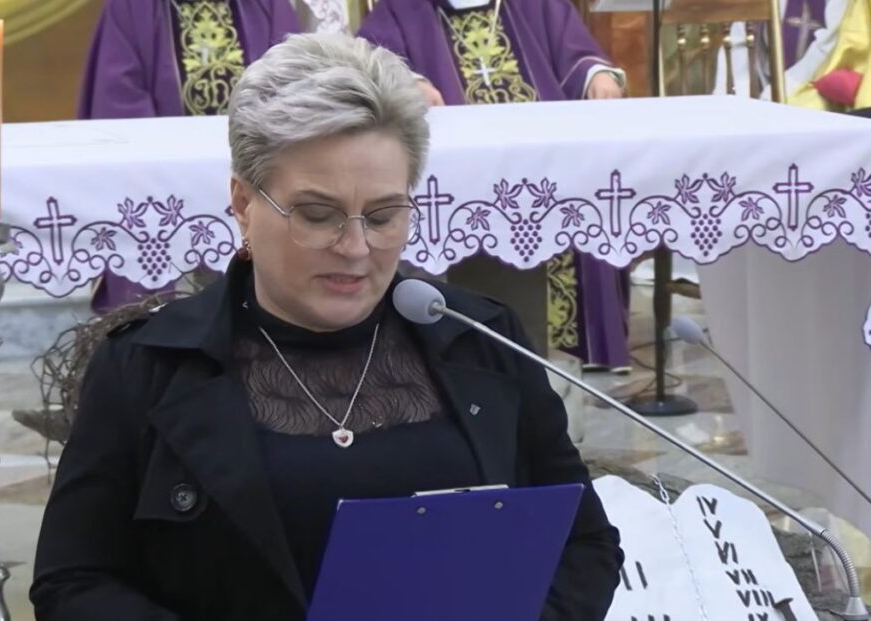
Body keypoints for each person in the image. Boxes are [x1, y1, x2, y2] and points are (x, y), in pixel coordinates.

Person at [31, 33, 622, 621]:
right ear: (243, 202)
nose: (356, 247)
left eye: (384, 215)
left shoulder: (478, 339)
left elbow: (584, 544)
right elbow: (73, 582)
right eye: (318, 215)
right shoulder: (147, 365)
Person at [358, 0, 632, 371]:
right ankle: (472, 353)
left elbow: (576, 54)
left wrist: (597, 76)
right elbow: (373, 58)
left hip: (546, 161)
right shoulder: (404, 7)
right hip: (464, 173)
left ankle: (566, 351)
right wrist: (411, 82)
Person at [78, 0, 301, 313]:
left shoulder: (265, 5)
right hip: (162, 184)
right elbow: (120, 104)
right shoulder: (132, 8)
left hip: (254, 173)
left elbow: (294, 86)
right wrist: (177, 167)